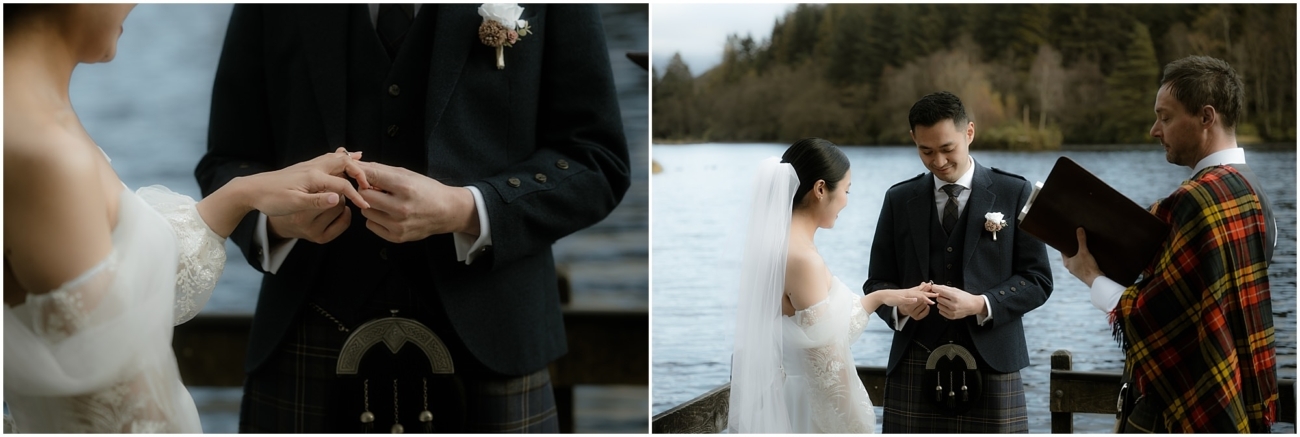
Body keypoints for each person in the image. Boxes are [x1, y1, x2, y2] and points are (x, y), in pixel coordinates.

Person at [194, 4, 631, 433]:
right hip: (306, 333)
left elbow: (596, 161)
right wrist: (277, 223)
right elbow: (228, 161)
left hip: (496, 345)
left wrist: (465, 209)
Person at [3, 4, 371, 433]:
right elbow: (121, 398)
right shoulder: (45, 155)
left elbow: (105, 306)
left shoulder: (34, 119)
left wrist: (243, 194)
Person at [1062, 55, 1277, 433]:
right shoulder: (1254, 190)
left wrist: (1091, 276)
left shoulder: (1194, 200)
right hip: (1239, 392)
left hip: (1185, 406)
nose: (1153, 130)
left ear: (1206, 117)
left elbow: (1155, 314)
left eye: (1165, 117)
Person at [863, 91, 1053, 433]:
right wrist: (900, 306)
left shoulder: (1014, 192)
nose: (938, 161)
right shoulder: (899, 199)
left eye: (947, 148)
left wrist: (982, 304)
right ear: (913, 140)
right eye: (926, 150)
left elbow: (1038, 279)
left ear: (969, 133)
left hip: (995, 363)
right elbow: (877, 282)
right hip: (915, 360)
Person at [729, 138, 937, 433]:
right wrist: (857, 422)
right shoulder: (804, 261)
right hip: (809, 410)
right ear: (821, 189)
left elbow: (819, 331)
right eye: (847, 190)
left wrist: (882, 296)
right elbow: (827, 365)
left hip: (788, 397)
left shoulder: (777, 248)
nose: (847, 201)